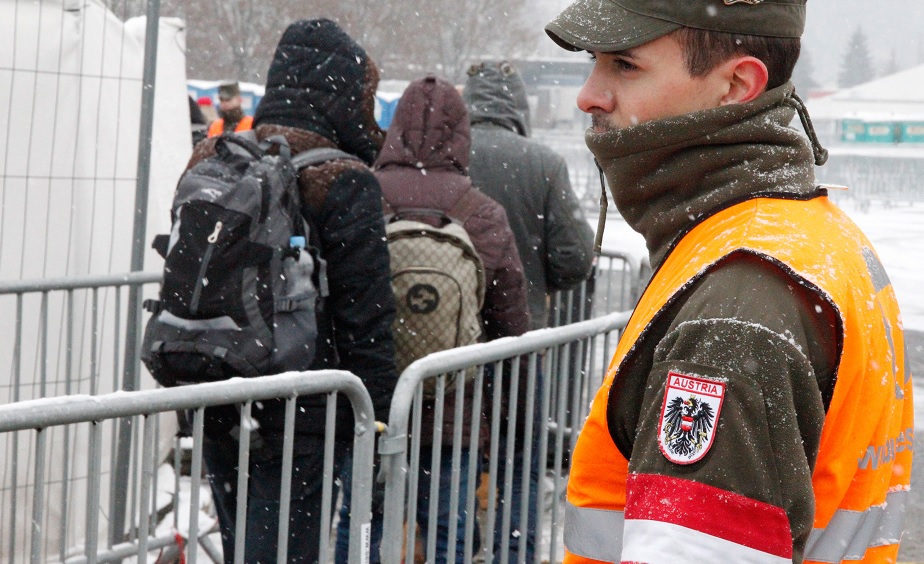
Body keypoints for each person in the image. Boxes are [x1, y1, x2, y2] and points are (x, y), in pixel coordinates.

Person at [544, 1, 913, 563]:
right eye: (594, 63)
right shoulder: (810, 235)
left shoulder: (738, 305)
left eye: (624, 65)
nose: (588, 95)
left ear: (737, 83)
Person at [185, 19, 397, 563]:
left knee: (242, 544)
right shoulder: (342, 178)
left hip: (215, 386)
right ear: (345, 95)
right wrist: (376, 415)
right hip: (302, 404)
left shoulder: (213, 159)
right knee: (286, 547)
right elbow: (364, 315)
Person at [335, 75, 530, 564]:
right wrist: (508, 412)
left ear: (394, 126)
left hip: (370, 403)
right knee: (448, 529)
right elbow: (510, 323)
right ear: (461, 134)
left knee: (362, 523)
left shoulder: (362, 196)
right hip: (453, 408)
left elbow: (336, 297)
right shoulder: (481, 212)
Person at [463, 59, 594, 563]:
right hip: (522, 343)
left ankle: (455, 546)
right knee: (520, 459)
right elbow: (576, 257)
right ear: (518, 107)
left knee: (449, 456)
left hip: (444, 345)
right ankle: (511, 551)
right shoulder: (542, 163)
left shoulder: (445, 158)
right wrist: (538, 283)